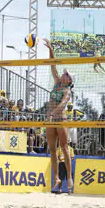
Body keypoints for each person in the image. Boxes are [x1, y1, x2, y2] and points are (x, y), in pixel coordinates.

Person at [43, 38, 74, 192]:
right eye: (64, 73)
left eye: (66, 75)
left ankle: (69, 177)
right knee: (52, 150)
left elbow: (62, 105)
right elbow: (52, 64)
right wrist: (50, 49)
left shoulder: (67, 90)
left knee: (65, 147)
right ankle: (56, 177)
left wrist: (53, 113)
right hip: (51, 120)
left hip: (60, 119)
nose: (63, 74)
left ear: (69, 81)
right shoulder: (56, 83)